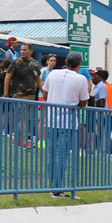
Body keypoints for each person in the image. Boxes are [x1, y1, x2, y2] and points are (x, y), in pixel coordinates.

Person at [43, 52, 90, 196]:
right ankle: (57, 188)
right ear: (79, 64)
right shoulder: (81, 79)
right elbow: (83, 102)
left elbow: (45, 93)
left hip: (50, 119)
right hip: (68, 122)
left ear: (66, 60)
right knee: (61, 154)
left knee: (50, 154)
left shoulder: (53, 74)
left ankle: (52, 186)